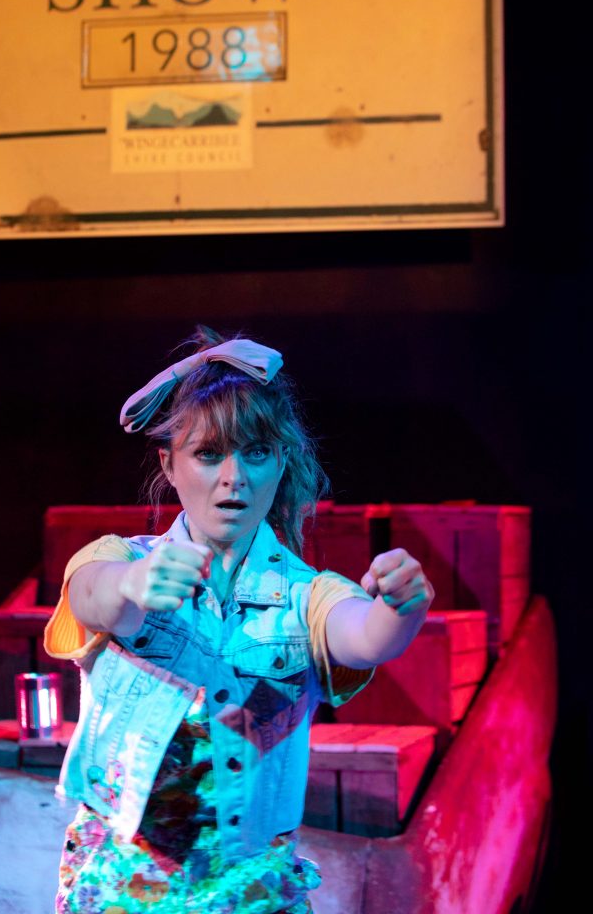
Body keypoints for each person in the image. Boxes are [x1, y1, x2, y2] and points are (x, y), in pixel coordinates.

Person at [43, 328, 434, 913]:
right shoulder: (119, 559)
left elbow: (362, 636)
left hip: (249, 888)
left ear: (281, 462)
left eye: (255, 453)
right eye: (209, 454)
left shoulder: (306, 595)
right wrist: (133, 584)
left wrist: (399, 608)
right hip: (124, 882)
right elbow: (91, 596)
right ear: (169, 465)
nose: (234, 477)